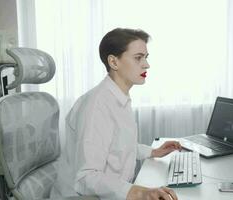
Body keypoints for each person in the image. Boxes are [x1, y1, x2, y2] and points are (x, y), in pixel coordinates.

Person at [51, 28, 181, 200]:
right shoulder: (96, 106)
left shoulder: (118, 96)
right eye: (138, 58)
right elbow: (86, 177)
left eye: (146, 57)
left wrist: (153, 152)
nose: (146, 64)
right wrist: (140, 192)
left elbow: (117, 146)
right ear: (114, 62)